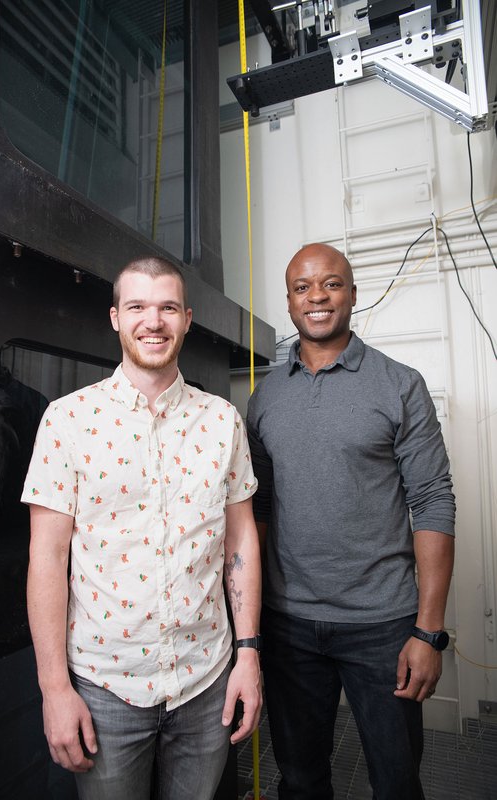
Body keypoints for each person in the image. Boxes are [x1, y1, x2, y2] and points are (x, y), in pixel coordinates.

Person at [22, 257, 262, 800]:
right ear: (115, 317)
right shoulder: (67, 421)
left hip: (206, 680)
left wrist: (248, 654)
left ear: (187, 319)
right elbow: (46, 560)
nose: (152, 322)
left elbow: (241, 541)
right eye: (137, 307)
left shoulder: (223, 420)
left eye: (167, 308)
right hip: (106, 688)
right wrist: (53, 687)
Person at [247, 243, 455, 800]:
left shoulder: (399, 384)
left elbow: (433, 499)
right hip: (289, 624)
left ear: (353, 294)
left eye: (331, 284)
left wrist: (428, 631)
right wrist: (250, 622)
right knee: (300, 779)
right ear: (289, 303)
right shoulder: (264, 398)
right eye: (302, 287)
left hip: (383, 626)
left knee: (395, 782)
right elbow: (258, 509)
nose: (317, 296)